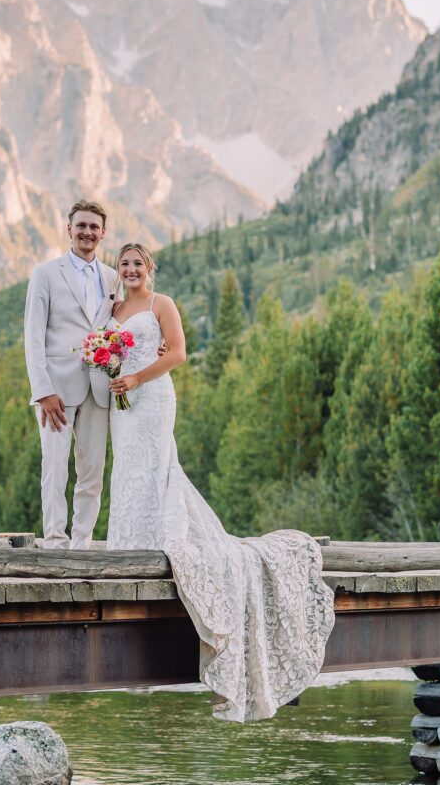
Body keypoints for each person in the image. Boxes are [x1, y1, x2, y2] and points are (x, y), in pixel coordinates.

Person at [106, 243, 335, 722]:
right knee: (126, 468)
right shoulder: (113, 308)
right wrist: (111, 370)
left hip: (151, 397)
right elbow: (108, 352)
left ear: (150, 269)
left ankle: (161, 539)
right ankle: (128, 542)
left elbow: (180, 354)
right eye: (124, 263)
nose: (130, 270)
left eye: (137, 264)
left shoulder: (158, 305)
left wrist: (137, 379)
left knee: (155, 463)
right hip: (120, 403)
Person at [24, 199, 118, 549]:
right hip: (56, 391)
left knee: (92, 470)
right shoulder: (46, 273)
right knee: (55, 467)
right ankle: (54, 541)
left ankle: (81, 542)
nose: (87, 232)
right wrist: (42, 390)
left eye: (94, 227)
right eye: (81, 225)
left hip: (98, 387)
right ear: (69, 229)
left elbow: (117, 329)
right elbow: (33, 336)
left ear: (103, 233)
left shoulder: (112, 277)